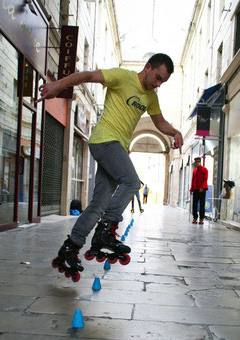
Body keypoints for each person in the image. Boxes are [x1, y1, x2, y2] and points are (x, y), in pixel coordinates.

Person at [37, 53, 183, 277]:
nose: (158, 84)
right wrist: (57, 85)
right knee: (132, 182)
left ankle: (70, 248)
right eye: (157, 77)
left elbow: (159, 121)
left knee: (98, 204)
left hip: (116, 146)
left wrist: (175, 132)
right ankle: (105, 231)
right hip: (104, 139)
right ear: (147, 67)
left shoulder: (151, 98)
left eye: (162, 82)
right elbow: (86, 75)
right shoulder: (121, 77)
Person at [190, 157, 208, 224]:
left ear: (200, 162)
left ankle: (201, 218)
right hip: (195, 189)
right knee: (194, 204)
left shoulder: (205, 170)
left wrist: (202, 187)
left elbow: (205, 179)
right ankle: (195, 217)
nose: (197, 163)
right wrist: (191, 189)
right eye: (196, 162)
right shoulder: (194, 171)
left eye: (198, 161)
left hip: (202, 189)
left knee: (202, 204)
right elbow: (193, 180)